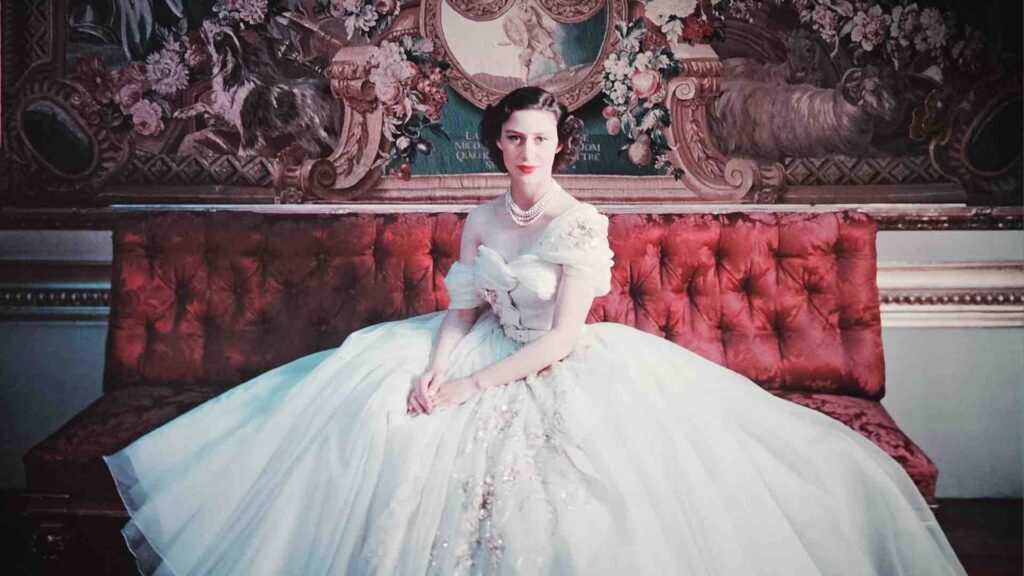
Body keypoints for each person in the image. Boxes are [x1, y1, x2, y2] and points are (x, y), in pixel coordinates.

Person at [104, 86, 967, 575]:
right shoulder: (480, 217)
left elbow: (558, 339)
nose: (526, 152)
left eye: (541, 140)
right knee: (377, 416)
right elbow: (463, 304)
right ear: (498, 145)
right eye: (514, 138)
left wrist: (469, 389)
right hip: (481, 345)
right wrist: (438, 364)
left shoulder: (580, 224)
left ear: (561, 146)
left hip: (561, 360)